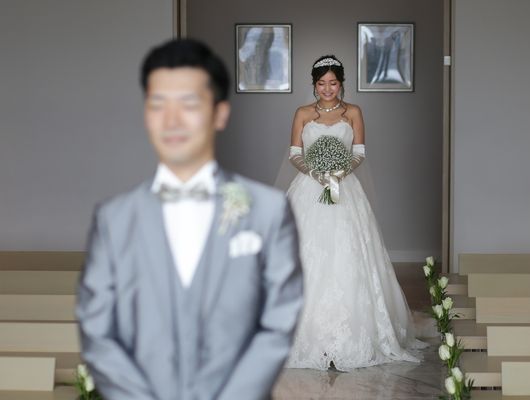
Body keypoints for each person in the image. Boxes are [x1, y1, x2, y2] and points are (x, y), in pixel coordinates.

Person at [76, 38, 303, 400]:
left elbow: (277, 323)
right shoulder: (113, 220)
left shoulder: (268, 211)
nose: (172, 120)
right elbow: (97, 332)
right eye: (158, 104)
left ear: (220, 113)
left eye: (189, 104)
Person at [284, 55, 424, 371]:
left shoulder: (354, 112)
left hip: (344, 187)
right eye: (322, 83)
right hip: (309, 187)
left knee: (348, 253)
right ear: (314, 84)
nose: (327, 89)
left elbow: (359, 152)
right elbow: (294, 153)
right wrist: (316, 173)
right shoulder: (303, 113)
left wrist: (339, 172)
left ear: (341, 83)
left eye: (333, 83)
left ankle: (353, 334)